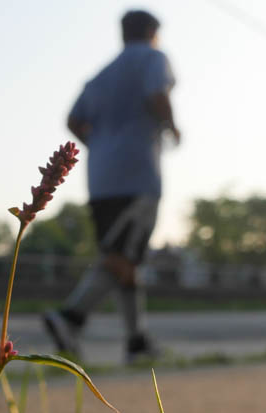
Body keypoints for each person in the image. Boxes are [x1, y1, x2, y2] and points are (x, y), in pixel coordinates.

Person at [43, 9, 179, 363]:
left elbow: (73, 120)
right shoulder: (154, 58)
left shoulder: (100, 76)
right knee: (120, 256)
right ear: (151, 31)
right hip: (137, 174)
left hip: (101, 178)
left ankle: (137, 342)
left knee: (126, 259)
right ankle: (70, 318)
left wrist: (100, 147)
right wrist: (173, 126)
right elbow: (157, 96)